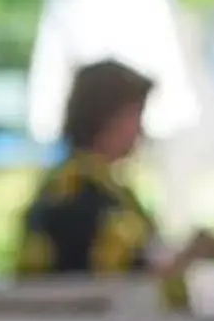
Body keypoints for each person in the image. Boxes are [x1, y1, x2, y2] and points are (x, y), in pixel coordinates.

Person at [16, 58, 172, 277]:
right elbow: (83, 278)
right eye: (134, 116)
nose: (140, 129)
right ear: (106, 116)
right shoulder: (72, 191)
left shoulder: (112, 189)